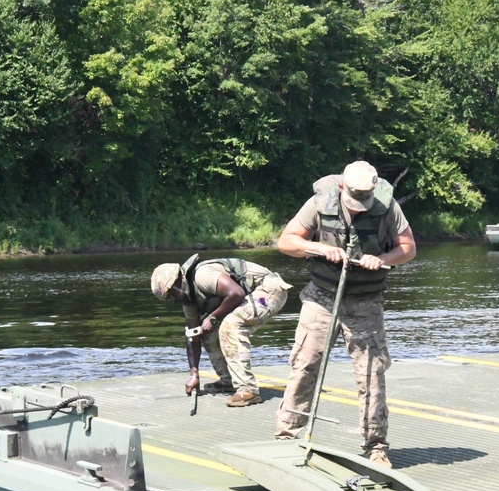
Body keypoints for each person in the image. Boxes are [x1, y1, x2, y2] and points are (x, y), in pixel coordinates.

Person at [274, 160, 416, 468]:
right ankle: (288, 436)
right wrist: (320, 249)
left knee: (371, 373)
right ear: (342, 187)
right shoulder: (319, 202)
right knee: (304, 365)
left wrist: (382, 258)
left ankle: (375, 446)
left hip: (366, 301)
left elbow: (408, 248)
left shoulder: (388, 208)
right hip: (321, 298)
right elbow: (287, 241)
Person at [151, 256, 292, 407]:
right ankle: (229, 381)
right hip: (247, 296)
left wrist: (212, 317)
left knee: (231, 326)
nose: (174, 300)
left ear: (178, 281)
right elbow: (192, 335)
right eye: (169, 298)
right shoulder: (188, 301)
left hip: (268, 289)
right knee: (207, 333)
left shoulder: (202, 276)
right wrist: (194, 374)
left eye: (172, 294)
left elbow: (236, 293)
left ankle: (248, 389)